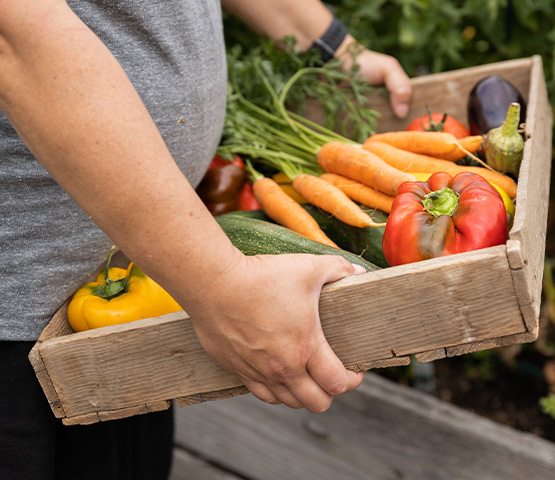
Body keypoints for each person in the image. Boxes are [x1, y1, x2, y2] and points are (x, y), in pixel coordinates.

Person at [0, 0, 412, 478]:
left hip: (146, 281)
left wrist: (328, 42)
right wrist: (221, 284)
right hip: (17, 323)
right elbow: (13, 35)